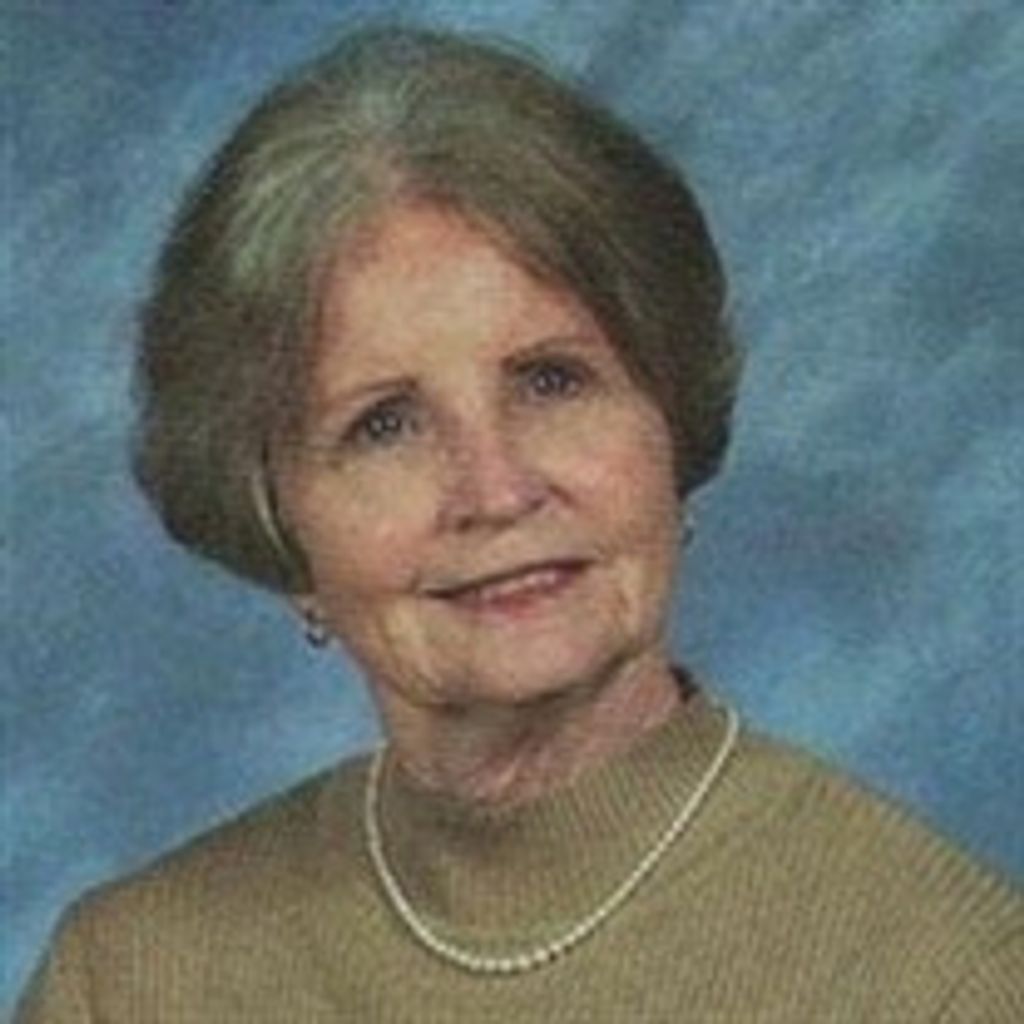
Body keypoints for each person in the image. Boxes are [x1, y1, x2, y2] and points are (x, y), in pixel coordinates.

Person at [17, 25, 1022, 1022]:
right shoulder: (130, 981)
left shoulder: (940, 975)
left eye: (552, 380)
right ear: (275, 519)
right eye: (385, 424)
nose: (495, 490)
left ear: (669, 423)